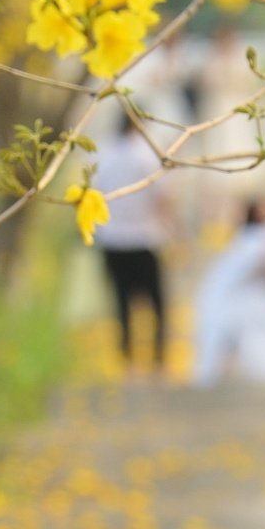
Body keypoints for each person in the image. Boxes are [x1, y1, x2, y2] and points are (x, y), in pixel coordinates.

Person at [90, 106, 174, 369]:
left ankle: (126, 359)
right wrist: (172, 230)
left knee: (121, 302)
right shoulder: (147, 153)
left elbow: (92, 195)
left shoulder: (105, 152)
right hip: (145, 238)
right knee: (157, 303)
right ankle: (159, 360)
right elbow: (163, 197)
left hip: (112, 240)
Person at [192, 198, 265, 385]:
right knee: (258, 364)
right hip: (244, 309)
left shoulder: (247, 241)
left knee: (255, 363)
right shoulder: (258, 240)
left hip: (247, 308)